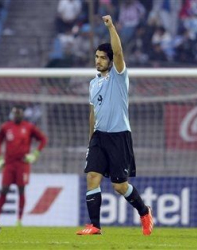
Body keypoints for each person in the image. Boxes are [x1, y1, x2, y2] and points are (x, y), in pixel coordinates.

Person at [76, 15, 153, 236]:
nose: (98, 60)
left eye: (102, 57)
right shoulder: (93, 83)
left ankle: (144, 211)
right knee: (92, 176)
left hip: (119, 136)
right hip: (99, 136)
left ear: (110, 60)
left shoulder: (119, 76)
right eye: (96, 57)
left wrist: (111, 27)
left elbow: (118, 52)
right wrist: (91, 140)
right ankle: (95, 226)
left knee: (119, 186)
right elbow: (93, 113)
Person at [0, 106, 48, 226]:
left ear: (22, 114)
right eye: (15, 113)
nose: (17, 115)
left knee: (21, 190)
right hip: (9, 163)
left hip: (23, 164)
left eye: (19, 113)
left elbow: (43, 139)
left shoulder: (29, 127)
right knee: (4, 189)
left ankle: (19, 220)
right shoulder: (6, 127)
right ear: (12, 114)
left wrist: (35, 154)